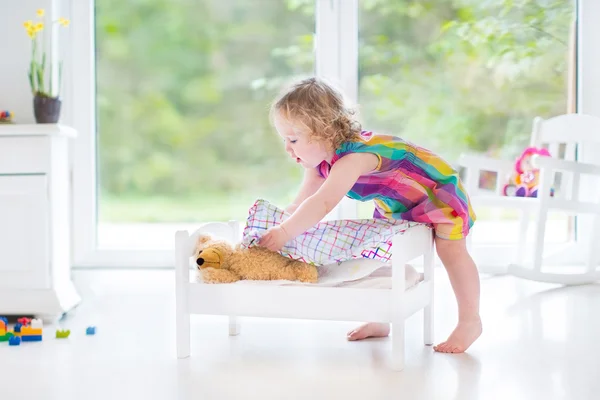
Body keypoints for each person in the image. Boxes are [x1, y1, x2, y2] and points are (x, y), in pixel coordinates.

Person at [258, 77, 481, 353]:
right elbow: (302, 202)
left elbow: (323, 202)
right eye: (284, 139)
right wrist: (279, 223)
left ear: (324, 132)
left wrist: (285, 233)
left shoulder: (354, 158)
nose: (287, 148)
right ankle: (382, 318)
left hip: (436, 192)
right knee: (379, 251)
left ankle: (470, 320)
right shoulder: (318, 164)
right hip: (398, 203)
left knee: (451, 252)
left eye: (293, 139)